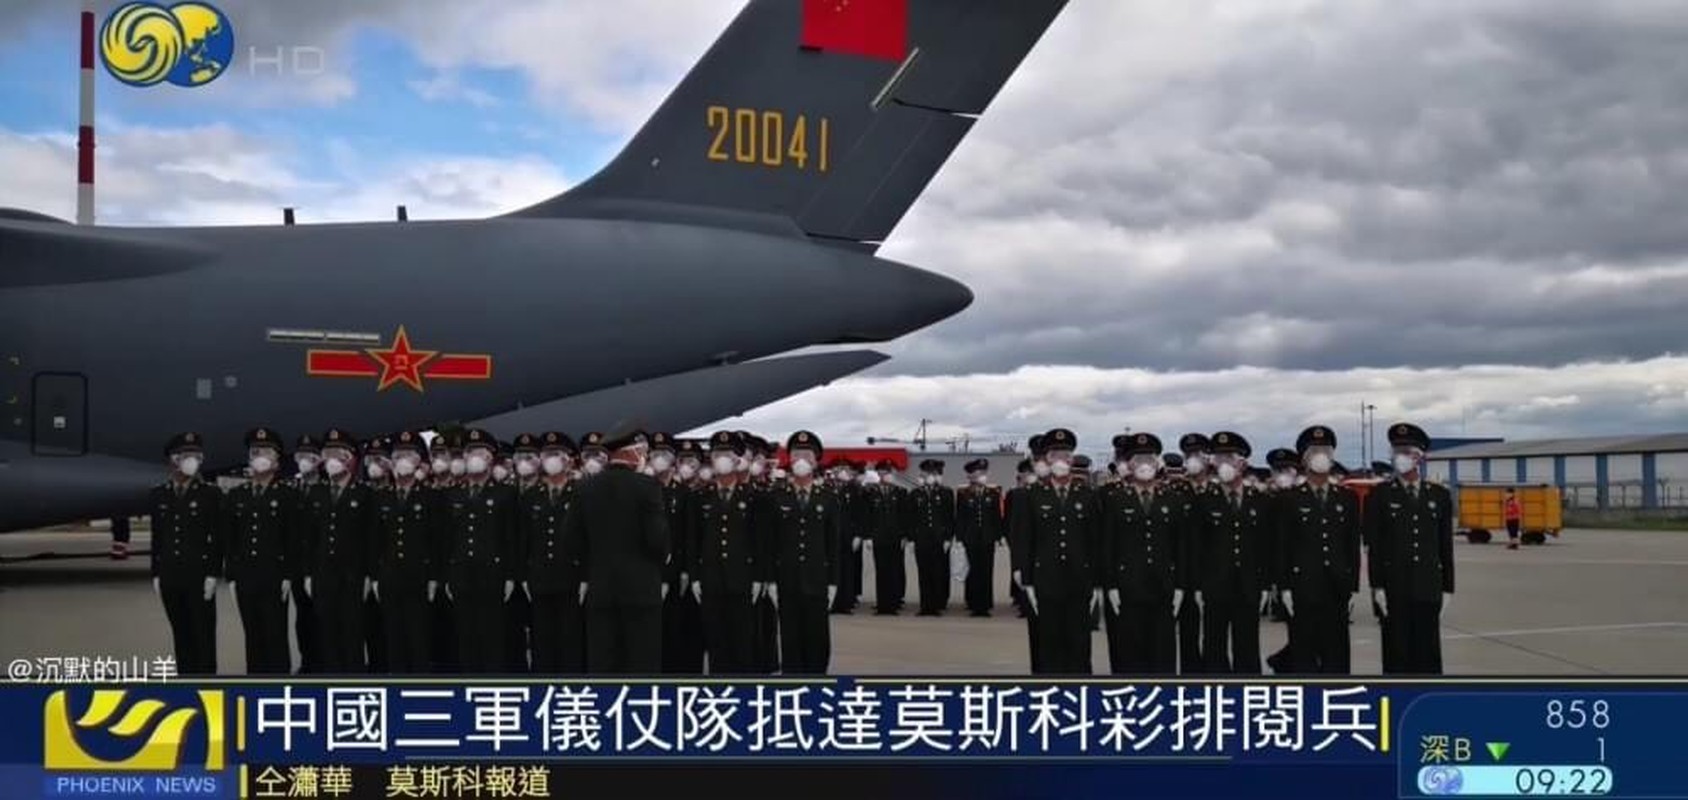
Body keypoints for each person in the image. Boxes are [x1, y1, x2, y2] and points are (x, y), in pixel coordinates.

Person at [563, 431, 671, 674]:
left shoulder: (585, 488)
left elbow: (570, 539)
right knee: (642, 662)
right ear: (630, 452)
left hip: (601, 589)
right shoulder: (647, 486)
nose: (644, 456)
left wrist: (591, 565)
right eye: (641, 451)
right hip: (641, 590)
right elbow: (658, 539)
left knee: (603, 661)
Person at [1010, 428, 1104, 674]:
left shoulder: (1088, 495)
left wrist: (1097, 581)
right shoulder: (1031, 496)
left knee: (1079, 643)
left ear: (1072, 459)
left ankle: (1080, 693)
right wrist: (1025, 577)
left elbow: (1095, 540)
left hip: (1079, 579)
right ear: (1047, 460)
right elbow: (1024, 538)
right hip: (1046, 579)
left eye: (1066, 454)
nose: (1061, 460)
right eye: (1054, 455)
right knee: (1048, 642)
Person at [1366, 422, 1455, 675]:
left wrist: (1448, 586)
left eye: (1406, 450)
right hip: (1395, 586)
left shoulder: (1438, 496)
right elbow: (1375, 546)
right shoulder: (1380, 495)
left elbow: (1444, 545)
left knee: (1428, 654)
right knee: (1396, 654)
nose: (1400, 456)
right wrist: (1377, 587)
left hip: (1428, 586)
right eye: (1396, 450)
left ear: (1419, 456)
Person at [1275, 425, 1360, 674]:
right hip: (1303, 587)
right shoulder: (1289, 499)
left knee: (1337, 654)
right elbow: (1283, 545)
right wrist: (1284, 586)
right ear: (1304, 458)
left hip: (1336, 587)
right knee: (1303, 653)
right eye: (1314, 450)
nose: (1321, 455)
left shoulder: (1346, 498)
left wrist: (1352, 584)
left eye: (1325, 450)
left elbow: (1351, 544)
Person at [759, 431, 840, 673]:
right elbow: (768, 543)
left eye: (806, 455)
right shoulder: (776, 496)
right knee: (790, 638)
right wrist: (770, 579)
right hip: (787, 579)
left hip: (817, 580)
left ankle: (817, 684)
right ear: (789, 460)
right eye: (796, 455)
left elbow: (833, 544)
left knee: (817, 639)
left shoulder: (828, 498)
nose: (801, 460)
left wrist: (834, 581)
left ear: (816, 460)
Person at [1101, 432, 1181, 675]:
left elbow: (1180, 545)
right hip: (1129, 585)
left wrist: (1181, 585)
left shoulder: (1173, 499)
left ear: (1158, 464)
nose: (1144, 465)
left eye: (1149, 459)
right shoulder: (1115, 499)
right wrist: (1110, 584)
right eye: (1138, 460)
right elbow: (1108, 545)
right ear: (1129, 465)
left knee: (1163, 650)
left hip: (1163, 584)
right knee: (1130, 649)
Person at [441, 428, 519, 673]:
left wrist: (510, 575)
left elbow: (511, 537)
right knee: (465, 636)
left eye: (479, 451)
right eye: (468, 451)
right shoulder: (453, 494)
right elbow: (447, 539)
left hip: (492, 574)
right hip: (462, 574)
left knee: (493, 636)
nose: (473, 456)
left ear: (491, 457)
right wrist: (447, 575)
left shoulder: (505, 493)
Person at [222, 427, 297, 674]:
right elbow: (230, 539)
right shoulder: (237, 495)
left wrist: (288, 574)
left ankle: (281, 689)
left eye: (266, 451)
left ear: (277, 460)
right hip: (246, 577)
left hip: (274, 576)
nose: (259, 456)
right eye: (255, 451)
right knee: (252, 636)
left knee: (275, 636)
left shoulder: (287, 495)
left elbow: (293, 538)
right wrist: (232, 575)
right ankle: (256, 686)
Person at [1192, 431, 1269, 674]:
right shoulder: (1204, 500)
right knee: (1214, 645)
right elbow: (1196, 546)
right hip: (1215, 585)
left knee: (1247, 646)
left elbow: (1265, 546)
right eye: (1219, 458)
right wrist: (1196, 584)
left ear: (1243, 462)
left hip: (1248, 585)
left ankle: (1247, 696)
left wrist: (1266, 584)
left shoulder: (1259, 501)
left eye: (1230, 458)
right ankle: (1216, 696)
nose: (1224, 464)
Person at [299, 428, 373, 673]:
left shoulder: (363, 493)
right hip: (323, 575)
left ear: (350, 458)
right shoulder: (317, 493)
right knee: (327, 634)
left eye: (336, 453)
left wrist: (368, 575)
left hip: (351, 576)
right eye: (327, 452)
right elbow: (310, 536)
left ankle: (353, 685)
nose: (330, 458)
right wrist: (309, 572)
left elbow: (370, 538)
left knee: (352, 634)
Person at [370, 431, 442, 674]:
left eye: (408, 455)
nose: (402, 460)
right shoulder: (382, 497)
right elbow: (376, 540)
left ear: (420, 462)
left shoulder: (431, 497)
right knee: (393, 636)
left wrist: (434, 576)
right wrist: (376, 575)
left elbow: (436, 539)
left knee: (419, 637)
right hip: (390, 576)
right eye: (397, 455)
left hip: (418, 576)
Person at [150, 432, 222, 675]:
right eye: (187, 456)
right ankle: (186, 682)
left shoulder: (210, 494)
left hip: (198, 576)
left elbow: (217, 537)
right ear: (173, 460)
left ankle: (207, 686)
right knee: (181, 634)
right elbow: (158, 537)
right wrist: (156, 572)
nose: (193, 461)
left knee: (203, 635)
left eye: (196, 456)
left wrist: (213, 572)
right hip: (171, 575)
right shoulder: (159, 494)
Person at [691, 431, 760, 673]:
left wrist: (759, 576)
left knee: (742, 642)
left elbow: (759, 541)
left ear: (738, 459)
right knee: (715, 641)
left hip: (741, 579)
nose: (721, 458)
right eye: (717, 453)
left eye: (727, 453)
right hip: (711, 581)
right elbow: (694, 540)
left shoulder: (753, 497)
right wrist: (695, 575)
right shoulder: (701, 497)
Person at [522, 432, 585, 674]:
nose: (551, 460)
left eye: (556, 455)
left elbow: (587, 538)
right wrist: (522, 574)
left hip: (571, 577)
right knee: (542, 642)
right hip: (539, 577)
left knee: (570, 641)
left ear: (569, 460)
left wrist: (586, 576)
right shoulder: (531, 496)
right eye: (547, 455)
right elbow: (524, 538)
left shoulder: (580, 493)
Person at [1169, 433, 1216, 674]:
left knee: (1214, 634)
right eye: (1189, 455)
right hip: (1184, 572)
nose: (1193, 460)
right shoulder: (1175, 491)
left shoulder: (1219, 491)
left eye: (1198, 454)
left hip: (1215, 572)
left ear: (1208, 458)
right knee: (1187, 631)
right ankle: (1190, 677)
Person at [955, 459, 1002, 617]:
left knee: (987, 571)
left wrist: (998, 535)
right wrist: (960, 537)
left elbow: (996, 516)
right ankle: (974, 604)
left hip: (988, 537)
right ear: (971, 476)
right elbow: (960, 517)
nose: (982, 476)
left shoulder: (993, 493)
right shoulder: (964, 494)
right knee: (974, 571)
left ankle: (985, 605)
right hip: (971, 537)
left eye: (984, 473)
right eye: (978, 473)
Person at [909, 459, 956, 616]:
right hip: (921, 538)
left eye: (933, 473)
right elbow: (911, 517)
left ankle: (936, 605)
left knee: (937, 572)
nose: (930, 476)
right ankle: (925, 606)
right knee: (923, 572)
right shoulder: (915, 494)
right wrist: (911, 539)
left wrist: (948, 538)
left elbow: (950, 517)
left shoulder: (945, 493)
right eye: (927, 473)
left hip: (939, 539)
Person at [863, 459, 908, 615]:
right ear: (879, 474)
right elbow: (867, 515)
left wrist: (905, 536)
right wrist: (867, 536)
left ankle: (894, 603)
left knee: (895, 570)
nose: (887, 475)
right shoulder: (870, 492)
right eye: (883, 472)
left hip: (895, 537)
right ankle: (883, 605)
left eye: (889, 472)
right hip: (878, 536)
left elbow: (904, 516)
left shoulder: (900, 492)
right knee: (881, 571)